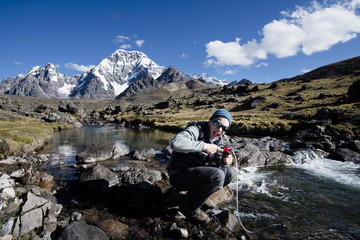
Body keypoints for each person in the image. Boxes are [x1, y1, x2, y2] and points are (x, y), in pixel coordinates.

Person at [167, 109, 236, 224]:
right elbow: (176, 143)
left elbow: (213, 163)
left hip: (195, 174)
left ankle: (194, 199)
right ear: (210, 122)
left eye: (224, 128)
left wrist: (223, 162)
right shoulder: (196, 129)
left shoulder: (219, 140)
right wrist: (203, 146)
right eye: (217, 124)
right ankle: (189, 208)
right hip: (178, 175)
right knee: (217, 175)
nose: (220, 130)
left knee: (230, 173)